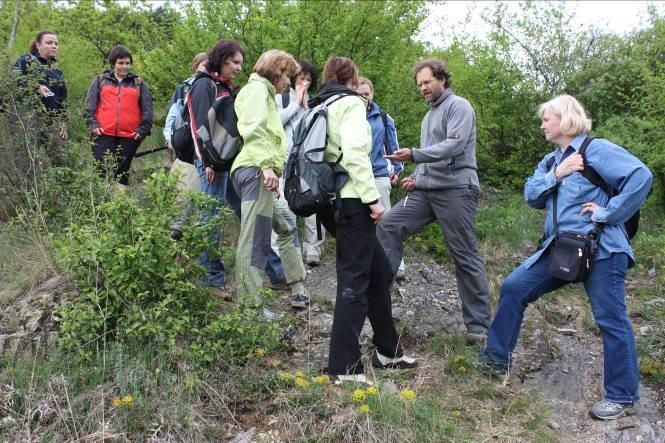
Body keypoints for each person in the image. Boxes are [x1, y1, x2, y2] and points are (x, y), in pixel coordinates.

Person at [480, 95, 652, 421]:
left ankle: (622, 394)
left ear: (566, 119)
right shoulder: (550, 161)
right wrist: (557, 174)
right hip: (561, 250)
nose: (543, 125)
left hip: (603, 249)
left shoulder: (595, 150)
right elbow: (531, 195)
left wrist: (608, 212)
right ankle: (493, 362)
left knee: (611, 319)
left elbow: (641, 176)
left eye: (547, 119)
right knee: (515, 287)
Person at [312, 56, 417, 383]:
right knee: (355, 282)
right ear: (352, 79)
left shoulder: (320, 105)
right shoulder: (350, 103)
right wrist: (373, 200)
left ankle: (388, 351)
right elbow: (356, 154)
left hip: (328, 202)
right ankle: (343, 368)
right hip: (354, 200)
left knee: (379, 272)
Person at [378, 59, 492, 345]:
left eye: (427, 82)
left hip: (456, 189)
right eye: (419, 84)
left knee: (464, 253)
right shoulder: (428, 117)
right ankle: (379, 301)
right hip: (427, 192)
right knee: (388, 225)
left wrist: (415, 155)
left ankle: (478, 326)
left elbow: (453, 145)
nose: (422, 88)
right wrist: (417, 176)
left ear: (442, 79)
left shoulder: (459, 106)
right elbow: (432, 155)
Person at [231, 49, 309, 310]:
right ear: (276, 71)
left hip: (262, 171)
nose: (288, 82)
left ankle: (297, 284)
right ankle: (249, 309)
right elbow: (254, 130)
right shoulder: (255, 90)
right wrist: (266, 167)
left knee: (286, 225)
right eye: (287, 76)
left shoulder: (265, 93)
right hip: (255, 171)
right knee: (254, 239)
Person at [186, 39, 244, 299]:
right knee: (210, 218)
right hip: (212, 163)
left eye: (240, 63)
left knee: (244, 210)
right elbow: (199, 128)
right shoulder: (203, 85)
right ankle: (210, 281)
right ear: (221, 60)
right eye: (234, 62)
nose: (239, 68)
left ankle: (269, 270)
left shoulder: (226, 87)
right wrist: (208, 162)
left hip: (229, 162)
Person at [272, 60, 324, 266]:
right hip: (284, 160)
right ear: (293, 78)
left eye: (309, 80)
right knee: (284, 205)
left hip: (307, 162)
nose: (305, 83)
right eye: (302, 78)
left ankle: (312, 249)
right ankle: (282, 254)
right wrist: (296, 105)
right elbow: (276, 123)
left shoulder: (314, 102)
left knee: (312, 202)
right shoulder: (282, 99)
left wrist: (306, 106)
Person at [355, 76, 406, 279]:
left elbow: (394, 148)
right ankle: (366, 264)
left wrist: (396, 169)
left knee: (387, 221)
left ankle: (397, 264)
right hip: (355, 178)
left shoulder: (384, 117)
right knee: (359, 223)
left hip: (379, 175)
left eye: (366, 94)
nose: (363, 98)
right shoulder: (349, 115)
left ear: (372, 94)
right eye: (359, 95)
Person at [86, 45, 153, 186]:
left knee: (121, 174)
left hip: (129, 137)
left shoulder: (139, 83)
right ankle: (100, 205)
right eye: (120, 63)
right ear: (113, 63)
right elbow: (89, 107)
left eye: (127, 63)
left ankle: (119, 204)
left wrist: (141, 131)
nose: (124, 66)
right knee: (101, 172)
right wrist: (94, 126)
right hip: (103, 134)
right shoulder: (100, 80)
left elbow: (147, 110)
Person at [164, 52, 209, 240]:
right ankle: (176, 231)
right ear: (195, 65)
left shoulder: (212, 87)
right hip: (185, 149)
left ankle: (194, 234)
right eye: (203, 65)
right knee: (181, 192)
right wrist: (170, 139)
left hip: (203, 152)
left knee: (198, 195)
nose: (206, 68)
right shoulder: (183, 89)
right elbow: (173, 117)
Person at [13, 30, 68, 164]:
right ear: (38, 45)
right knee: (25, 160)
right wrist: (34, 86)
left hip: (52, 122)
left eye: (56, 43)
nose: (54, 46)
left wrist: (64, 122)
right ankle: (24, 185)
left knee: (60, 161)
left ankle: (62, 185)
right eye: (49, 43)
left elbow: (64, 101)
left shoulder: (57, 72)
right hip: (28, 119)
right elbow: (12, 79)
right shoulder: (26, 60)